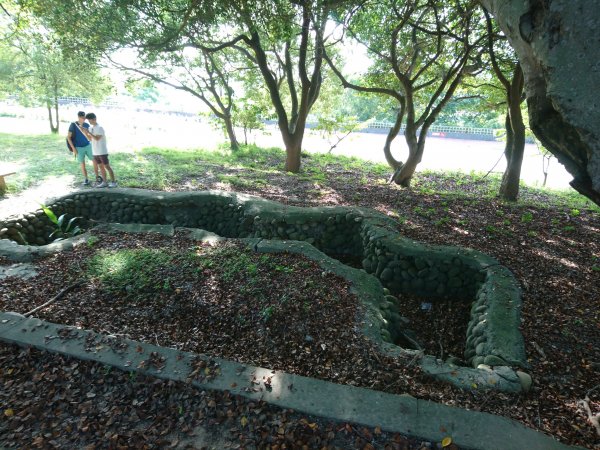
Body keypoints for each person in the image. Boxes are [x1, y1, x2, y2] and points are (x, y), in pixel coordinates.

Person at [79, 113, 117, 188]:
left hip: (102, 151)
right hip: (95, 151)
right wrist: (85, 132)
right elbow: (90, 139)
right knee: (101, 167)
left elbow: (97, 138)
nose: (89, 121)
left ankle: (113, 182)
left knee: (107, 166)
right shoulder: (90, 128)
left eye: (90, 120)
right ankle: (105, 182)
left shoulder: (100, 128)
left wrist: (89, 132)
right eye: (88, 120)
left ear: (94, 119)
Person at [67, 111, 99, 186]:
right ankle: (86, 178)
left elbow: (91, 136)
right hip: (78, 147)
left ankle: (97, 177)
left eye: (84, 117)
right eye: (82, 117)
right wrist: (73, 148)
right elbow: (68, 137)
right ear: (78, 117)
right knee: (82, 163)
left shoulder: (86, 124)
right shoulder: (73, 125)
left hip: (88, 145)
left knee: (94, 160)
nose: (84, 119)